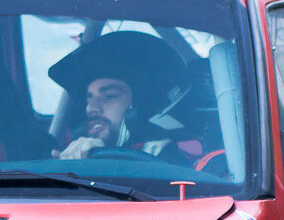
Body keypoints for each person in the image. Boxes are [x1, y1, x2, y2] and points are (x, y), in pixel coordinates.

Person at [48, 31, 191, 162]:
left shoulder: (185, 160)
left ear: (149, 105)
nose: (90, 108)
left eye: (109, 96)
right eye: (88, 98)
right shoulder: (73, 158)